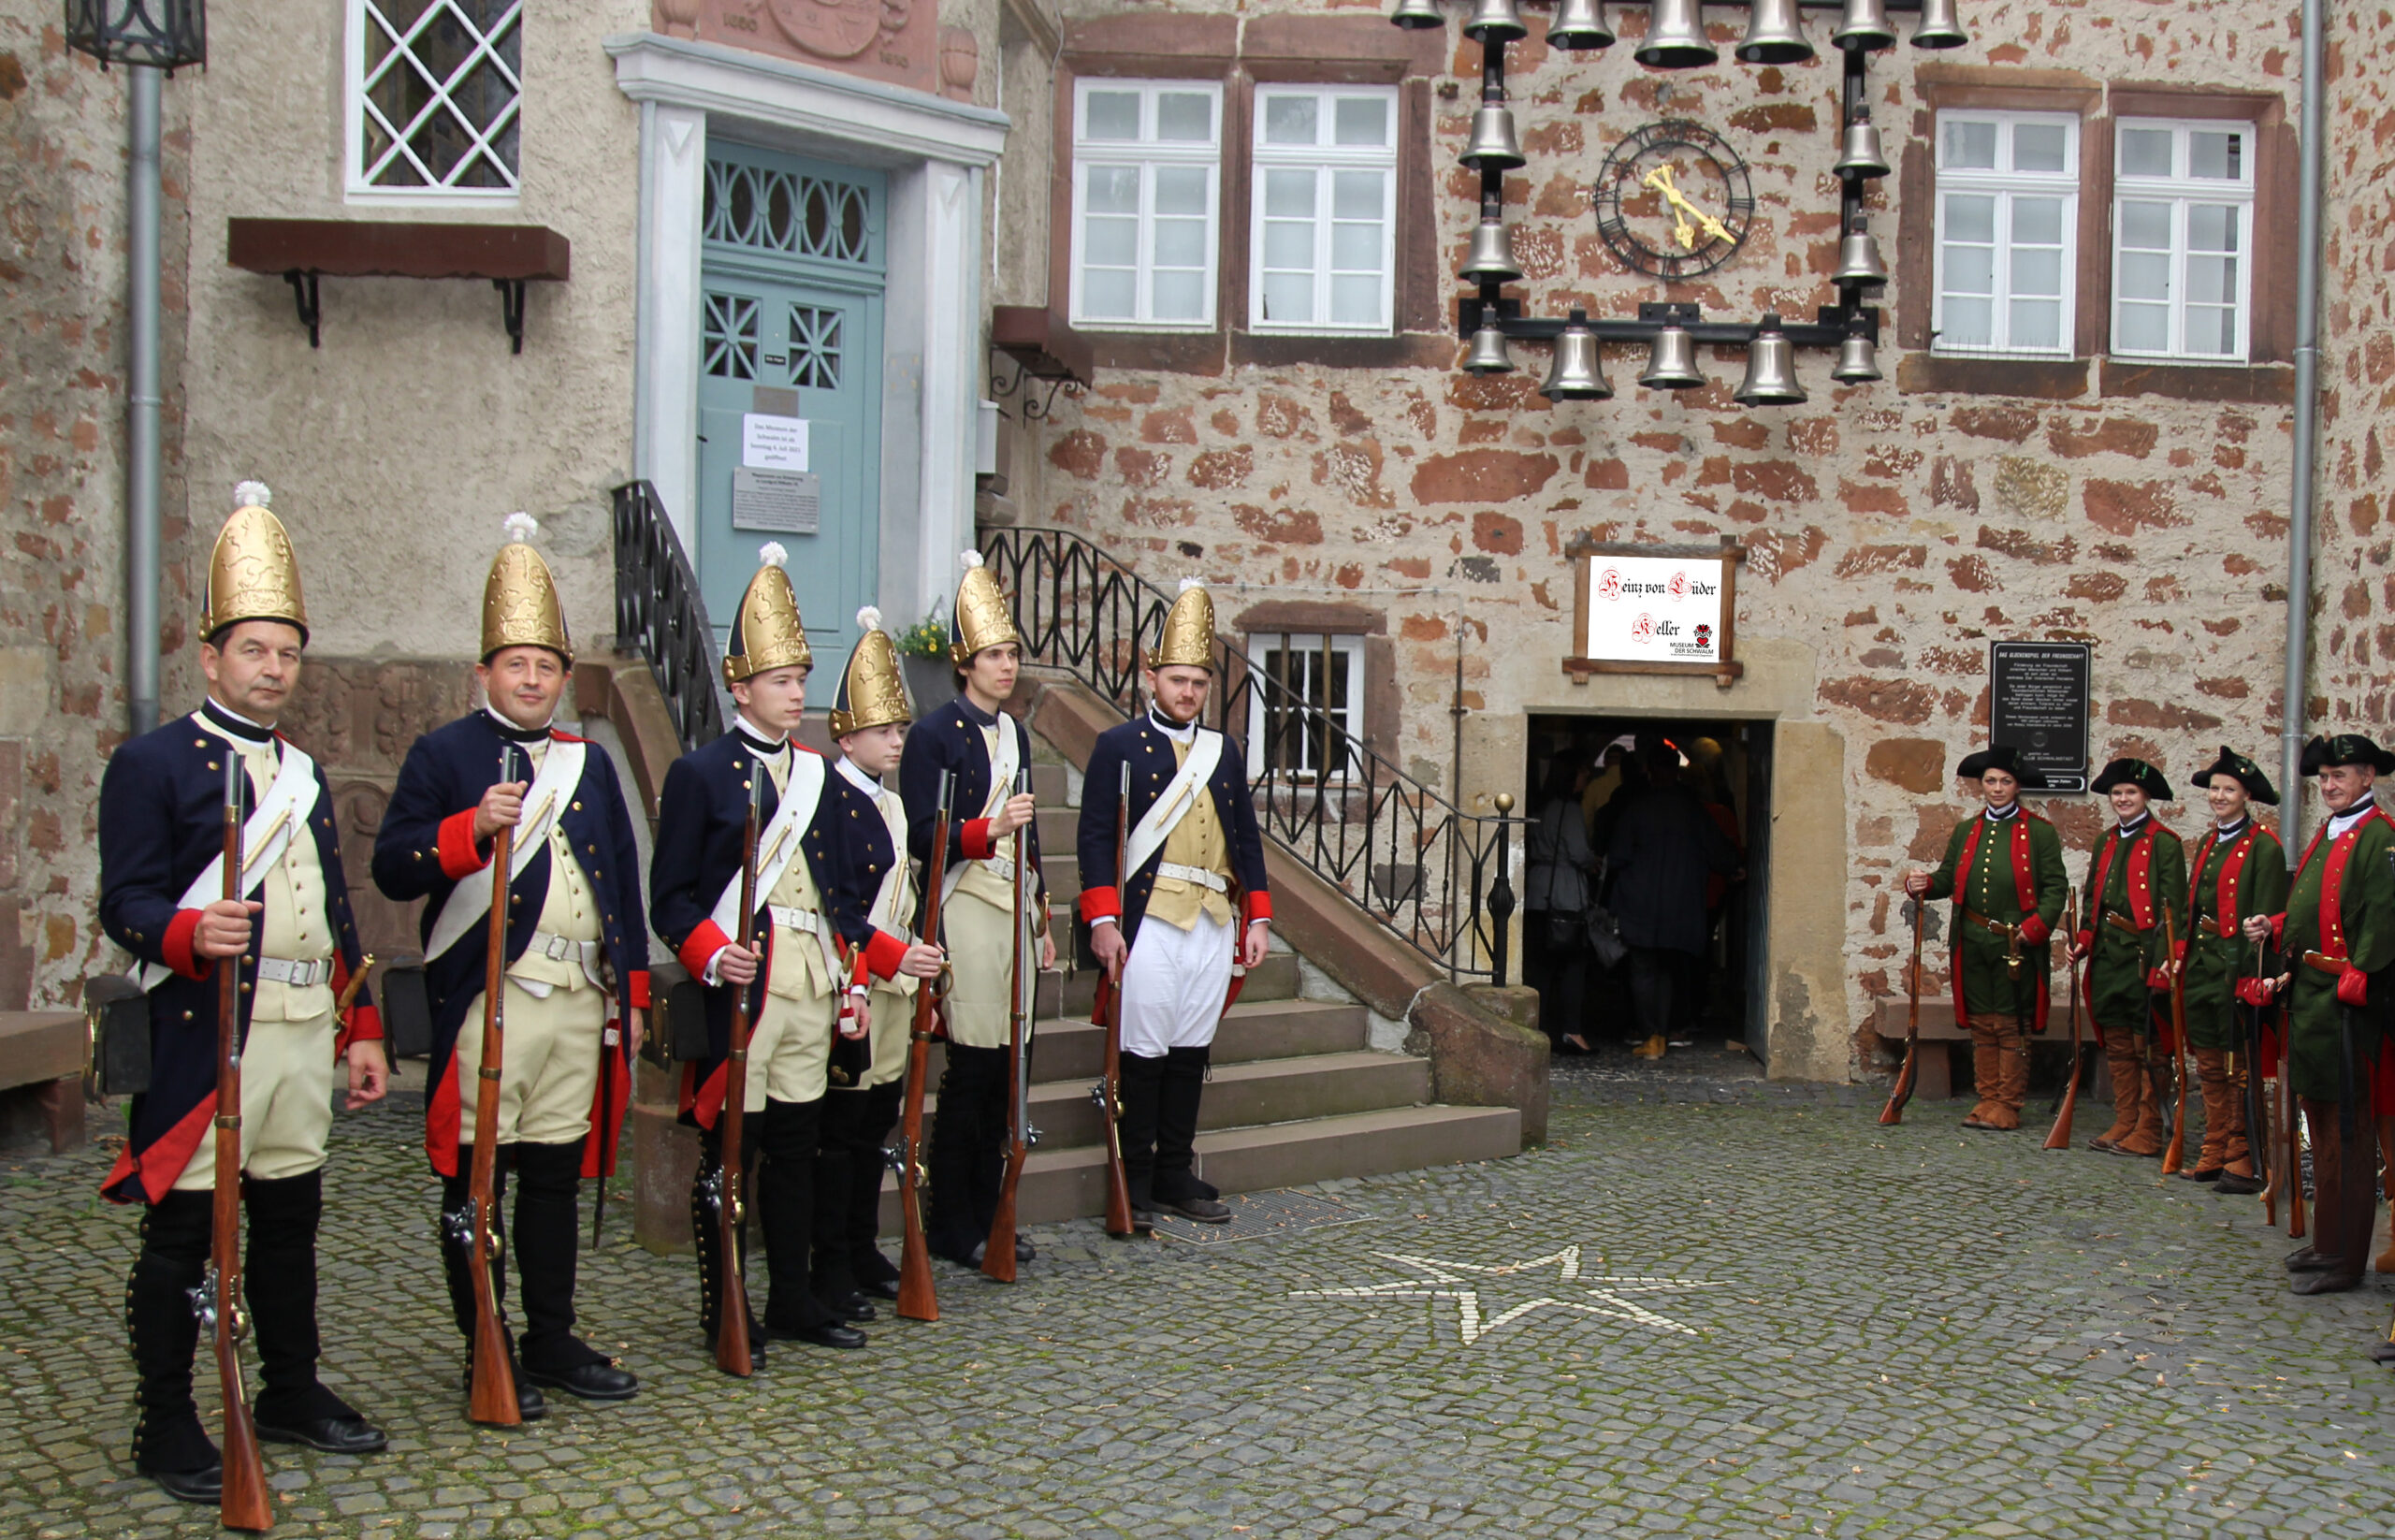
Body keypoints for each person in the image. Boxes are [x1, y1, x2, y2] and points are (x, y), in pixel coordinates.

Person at [98, 483, 388, 1503]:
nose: (274, 669)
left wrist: (361, 1023)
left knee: (289, 1216)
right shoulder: (151, 763)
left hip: (304, 1027)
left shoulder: (302, 771)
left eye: (288, 652)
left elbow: (336, 912)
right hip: (204, 1028)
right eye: (255, 649)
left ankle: (290, 1387)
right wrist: (186, 930)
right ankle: (166, 1417)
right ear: (213, 654)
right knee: (182, 1229)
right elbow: (123, 900)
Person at [372, 514, 647, 1416]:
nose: (532, 681)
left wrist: (632, 992)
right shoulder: (442, 754)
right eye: (515, 665)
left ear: (564, 680)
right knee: (475, 1176)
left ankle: (552, 1335)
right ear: (483, 673)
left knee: (556, 1178)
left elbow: (623, 885)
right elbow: (392, 865)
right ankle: (483, 1343)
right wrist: (467, 833)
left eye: (546, 668)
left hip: (576, 997)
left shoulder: (587, 763)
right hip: (490, 998)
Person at [650, 545, 884, 1355]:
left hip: (812, 984)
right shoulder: (700, 774)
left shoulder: (820, 777)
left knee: (796, 1152)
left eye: (801, 679)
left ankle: (793, 1296)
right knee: (733, 1153)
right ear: (740, 686)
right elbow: (671, 899)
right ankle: (726, 1305)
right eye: (781, 681)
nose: (796, 693)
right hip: (743, 989)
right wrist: (715, 954)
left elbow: (844, 898)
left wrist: (852, 980)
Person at [1078, 580, 1272, 1227]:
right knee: (1144, 1051)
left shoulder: (1224, 751)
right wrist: (1103, 921)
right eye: (1177, 679)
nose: (1187, 692)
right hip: (1152, 916)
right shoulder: (1118, 746)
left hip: (1214, 916)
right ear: (1152, 676)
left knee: (1191, 1049)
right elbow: (1096, 837)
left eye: (1198, 682)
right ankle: (1132, 1178)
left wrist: (1260, 916)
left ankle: (1173, 1173)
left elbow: (1245, 838)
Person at [899, 552, 1056, 1267]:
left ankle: (994, 1209)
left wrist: (1045, 913)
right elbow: (919, 834)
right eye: (995, 655)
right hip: (963, 899)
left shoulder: (1015, 733)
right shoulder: (934, 735)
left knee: (1010, 1071)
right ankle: (950, 1218)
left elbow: (1034, 830)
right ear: (964, 663)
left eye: (1013, 654)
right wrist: (981, 830)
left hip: (1014, 907)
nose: (1007, 667)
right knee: (972, 1068)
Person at [813, 607, 946, 1308]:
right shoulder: (828, 798)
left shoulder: (891, 804)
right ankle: (830, 1257)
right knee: (841, 1136)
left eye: (899, 730)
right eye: (883, 731)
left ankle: (862, 1249)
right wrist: (895, 957)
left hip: (895, 987)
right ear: (847, 733)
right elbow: (836, 905)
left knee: (873, 1130)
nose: (896, 742)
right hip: (855, 981)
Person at [2242, 734, 2395, 1300]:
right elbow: (2319, 906)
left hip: (2345, 1005)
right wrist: (2277, 925)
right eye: (2324, 777)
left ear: (2367, 777)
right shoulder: (2330, 834)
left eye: (2341, 776)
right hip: (2309, 999)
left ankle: (2348, 1257)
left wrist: (2361, 977)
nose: (2330, 786)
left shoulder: (2379, 838)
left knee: (2349, 1134)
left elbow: (2381, 919)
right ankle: (2327, 1239)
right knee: (2321, 1129)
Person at [1904, 745, 2067, 1130]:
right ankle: (1987, 1097)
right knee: (1982, 1023)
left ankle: (2008, 1103)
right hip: (1973, 939)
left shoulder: (2039, 832)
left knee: (2011, 1025)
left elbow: (2056, 888)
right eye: (1990, 781)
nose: (1997, 788)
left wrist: (2035, 928)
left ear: (2017, 786)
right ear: (1982, 786)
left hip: (2016, 942)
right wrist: (1924, 883)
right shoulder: (1967, 830)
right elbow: (1949, 878)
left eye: (2005, 782)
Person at [2175, 747, 2288, 1194]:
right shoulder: (2207, 841)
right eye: (2216, 789)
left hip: (2235, 964)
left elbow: (2267, 915)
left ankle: (2241, 1152)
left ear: (2246, 796)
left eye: (2229, 790)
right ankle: (2214, 1145)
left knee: (2235, 1061)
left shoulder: (2264, 847)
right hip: (2202, 963)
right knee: (2207, 1058)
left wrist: (2249, 973)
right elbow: (2193, 905)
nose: (2220, 796)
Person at [2067, 758, 2186, 1159]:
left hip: (2144, 952)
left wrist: (2169, 957)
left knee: (2148, 1042)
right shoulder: (2106, 840)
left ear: (2146, 797)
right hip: (2108, 953)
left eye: (2130, 793)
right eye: (2117, 793)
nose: (2122, 799)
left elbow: (2175, 909)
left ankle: (2149, 1128)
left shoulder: (2164, 843)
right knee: (2117, 1041)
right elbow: (2091, 898)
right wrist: (2084, 938)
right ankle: (2125, 1117)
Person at [1606, 737, 1736, 1061]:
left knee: (1642, 970)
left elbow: (1618, 855)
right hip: (1680, 905)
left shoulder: (1637, 807)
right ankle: (1660, 1035)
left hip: (1640, 902)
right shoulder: (1693, 809)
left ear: (1650, 770)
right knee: (1666, 971)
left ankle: (1650, 1034)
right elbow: (1721, 853)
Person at [1524, 748, 1597, 1055]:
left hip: (1538, 889)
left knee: (1540, 966)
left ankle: (1538, 1029)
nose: (1586, 778)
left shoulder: (1542, 807)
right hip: (1563, 892)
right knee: (1572, 965)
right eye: (1582, 772)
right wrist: (1595, 861)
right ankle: (1571, 1030)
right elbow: (1579, 853)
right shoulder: (1569, 810)